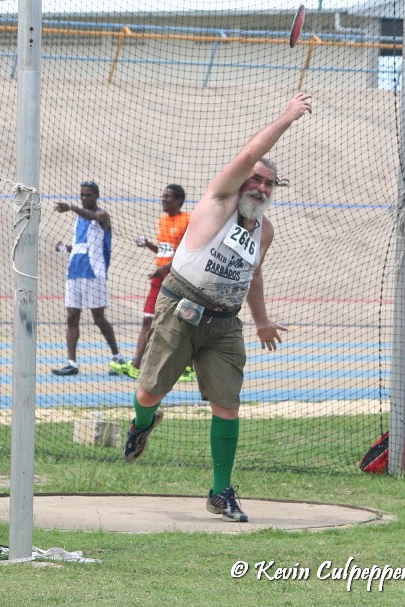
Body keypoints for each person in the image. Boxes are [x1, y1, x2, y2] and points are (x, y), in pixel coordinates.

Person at [121, 93, 312, 522]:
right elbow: (249, 153)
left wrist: (262, 322)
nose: (260, 187)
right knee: (149, 392)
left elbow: (253, 276)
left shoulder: (264, 230)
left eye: (268, 184)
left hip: (225, 324)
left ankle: (219, 492)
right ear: (243, 179)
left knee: (227, 406)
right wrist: (287, 116)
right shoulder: (220, 201)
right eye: (256, 179)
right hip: (181, 308)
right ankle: (141, 423)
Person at [114, 184, 194, 382]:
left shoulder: (187, 221)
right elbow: (166, 251)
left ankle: (188, 367)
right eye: (163, 196)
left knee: (182, 321)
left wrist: (165, 269)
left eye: (168, 197)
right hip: (158, 278)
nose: (163, 200)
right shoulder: (162, 220)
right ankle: (135, 365)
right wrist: (149, 245)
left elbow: (187, 253)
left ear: (179, 201)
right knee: (147, 319)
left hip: (179, 279)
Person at [51, 180, 126, 376]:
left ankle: (117, 356)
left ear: (96, 196)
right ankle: (72, 363)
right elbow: (81, 246)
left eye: (88, 195)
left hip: (94, 274)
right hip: (74, 272)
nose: (85, 198)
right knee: (71, 317)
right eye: (82, 195)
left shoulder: (102, 216)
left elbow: (91, 215)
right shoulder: (78, 220)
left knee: (99, 318)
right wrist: (65, 248)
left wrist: (71, 207)